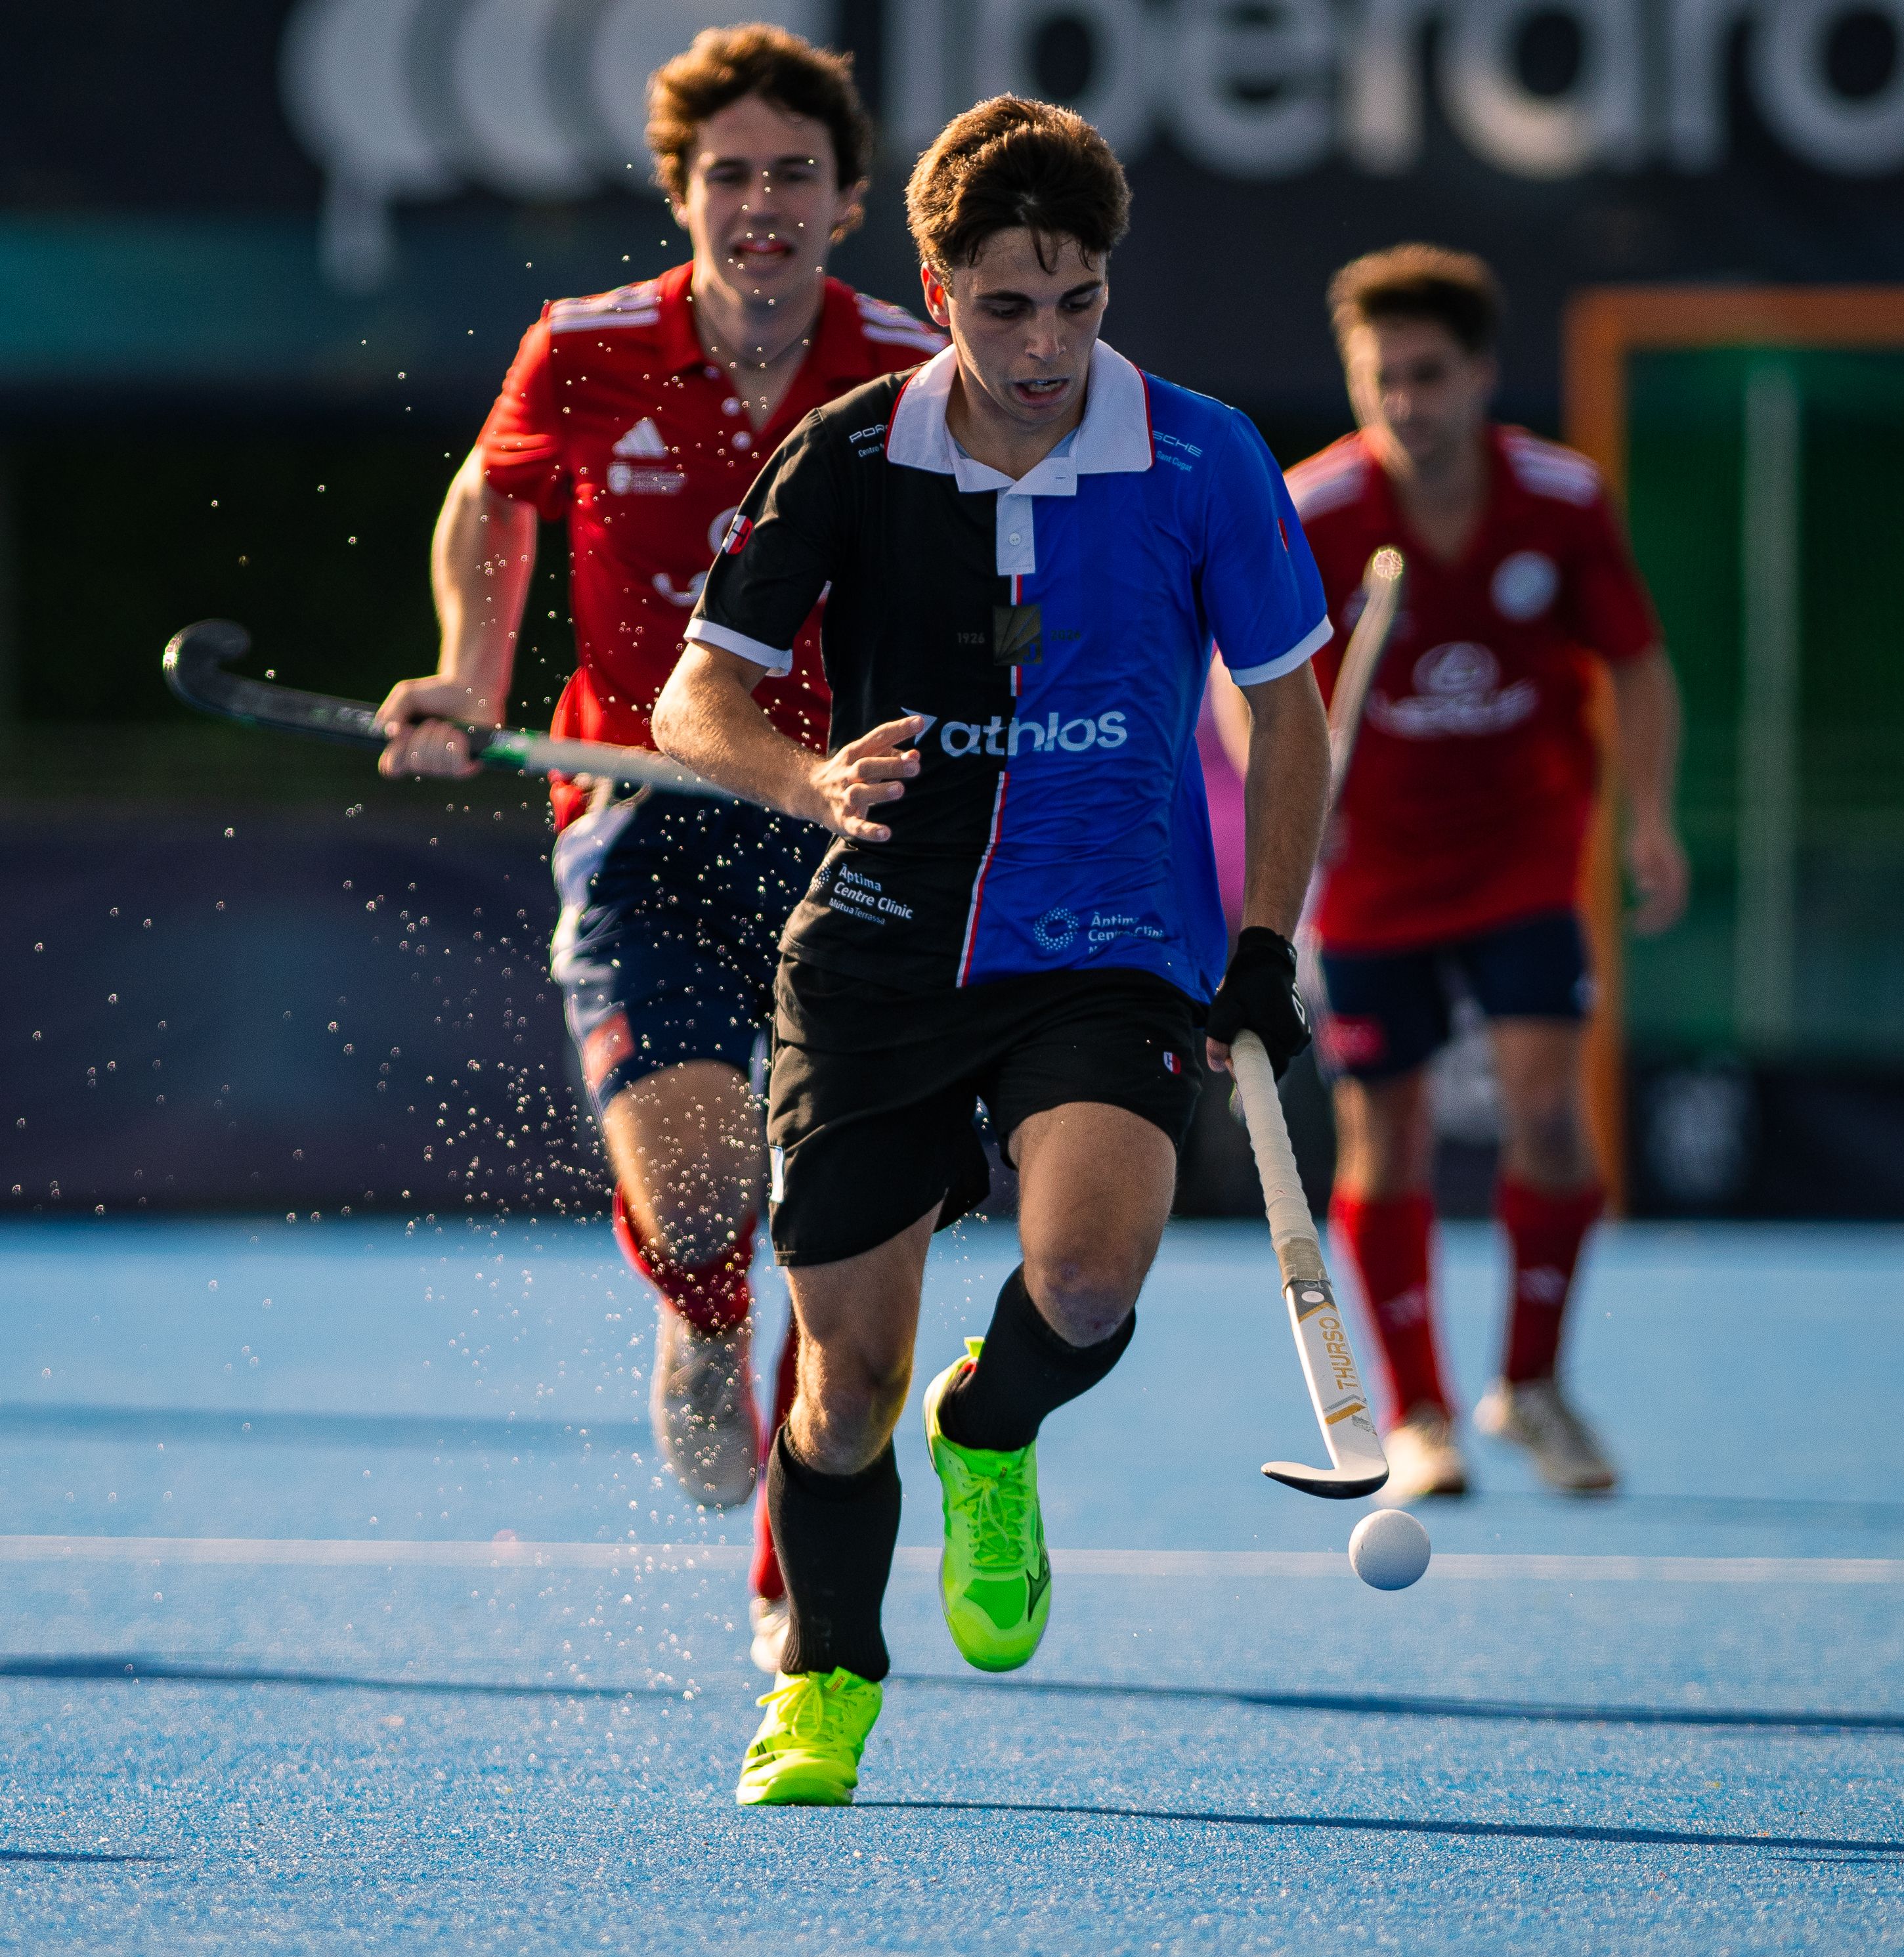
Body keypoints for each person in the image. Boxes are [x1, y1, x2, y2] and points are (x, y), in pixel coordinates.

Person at [653, 96, 1333, 1806]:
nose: (1046, 347)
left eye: (1080, 302)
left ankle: (998, 1426)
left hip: (1111, 943)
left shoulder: (1202, 458)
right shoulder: (852, 456)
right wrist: (805, 777)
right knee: (843, 1385)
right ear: (939, 283)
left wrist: (1265, 940)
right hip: (879, 951)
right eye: (1007, 305)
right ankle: (824, 1681)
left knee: (1090, 1281)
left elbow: (1288, 711)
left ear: (1111, 286)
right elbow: (697, 702)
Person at [371, 25, 943, 1669]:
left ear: (846, 204)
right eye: (730, 177)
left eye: (794, 178)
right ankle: (701, 1324)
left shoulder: (918, 371)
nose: (760, 207)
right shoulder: (585, 347)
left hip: (849, 812)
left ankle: (794, 1577)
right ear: (684, 191)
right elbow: (495, 500)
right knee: (704, 1196)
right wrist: (470, 684)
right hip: (636, 810)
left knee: (838, 1220)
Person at [1222, 243, 1687, 1503]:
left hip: (1527, 858)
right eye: (1383, 381)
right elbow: (1246, 690)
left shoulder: (1562, 499)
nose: (1407, 405)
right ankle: (1420, 1413)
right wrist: (1283, 811)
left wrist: (1648, 818)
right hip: (1375, 874)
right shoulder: (1314, 515)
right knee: (1390, 1130)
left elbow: (1638, 666)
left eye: (1430, 376)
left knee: (1547, 1109)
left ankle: (1531, 1386)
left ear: (1482, 374)